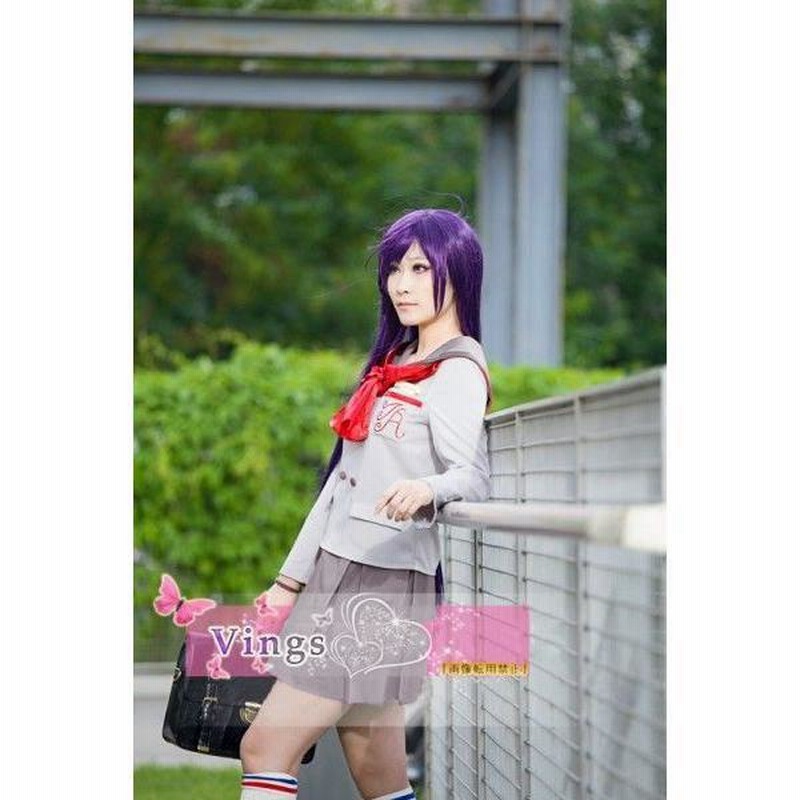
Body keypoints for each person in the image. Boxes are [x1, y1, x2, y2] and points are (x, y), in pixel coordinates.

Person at [238, 208, 493, 800]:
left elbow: (474, 476)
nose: (401, 284)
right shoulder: (396, 364)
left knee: (266, 747)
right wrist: (290, 580)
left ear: (458, 272)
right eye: (394, 269)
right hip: (342, 569)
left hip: (382, 581)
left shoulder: (456, 370)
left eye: (420, 269)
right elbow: (339, 484)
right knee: (377, 770)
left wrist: (428, 489)